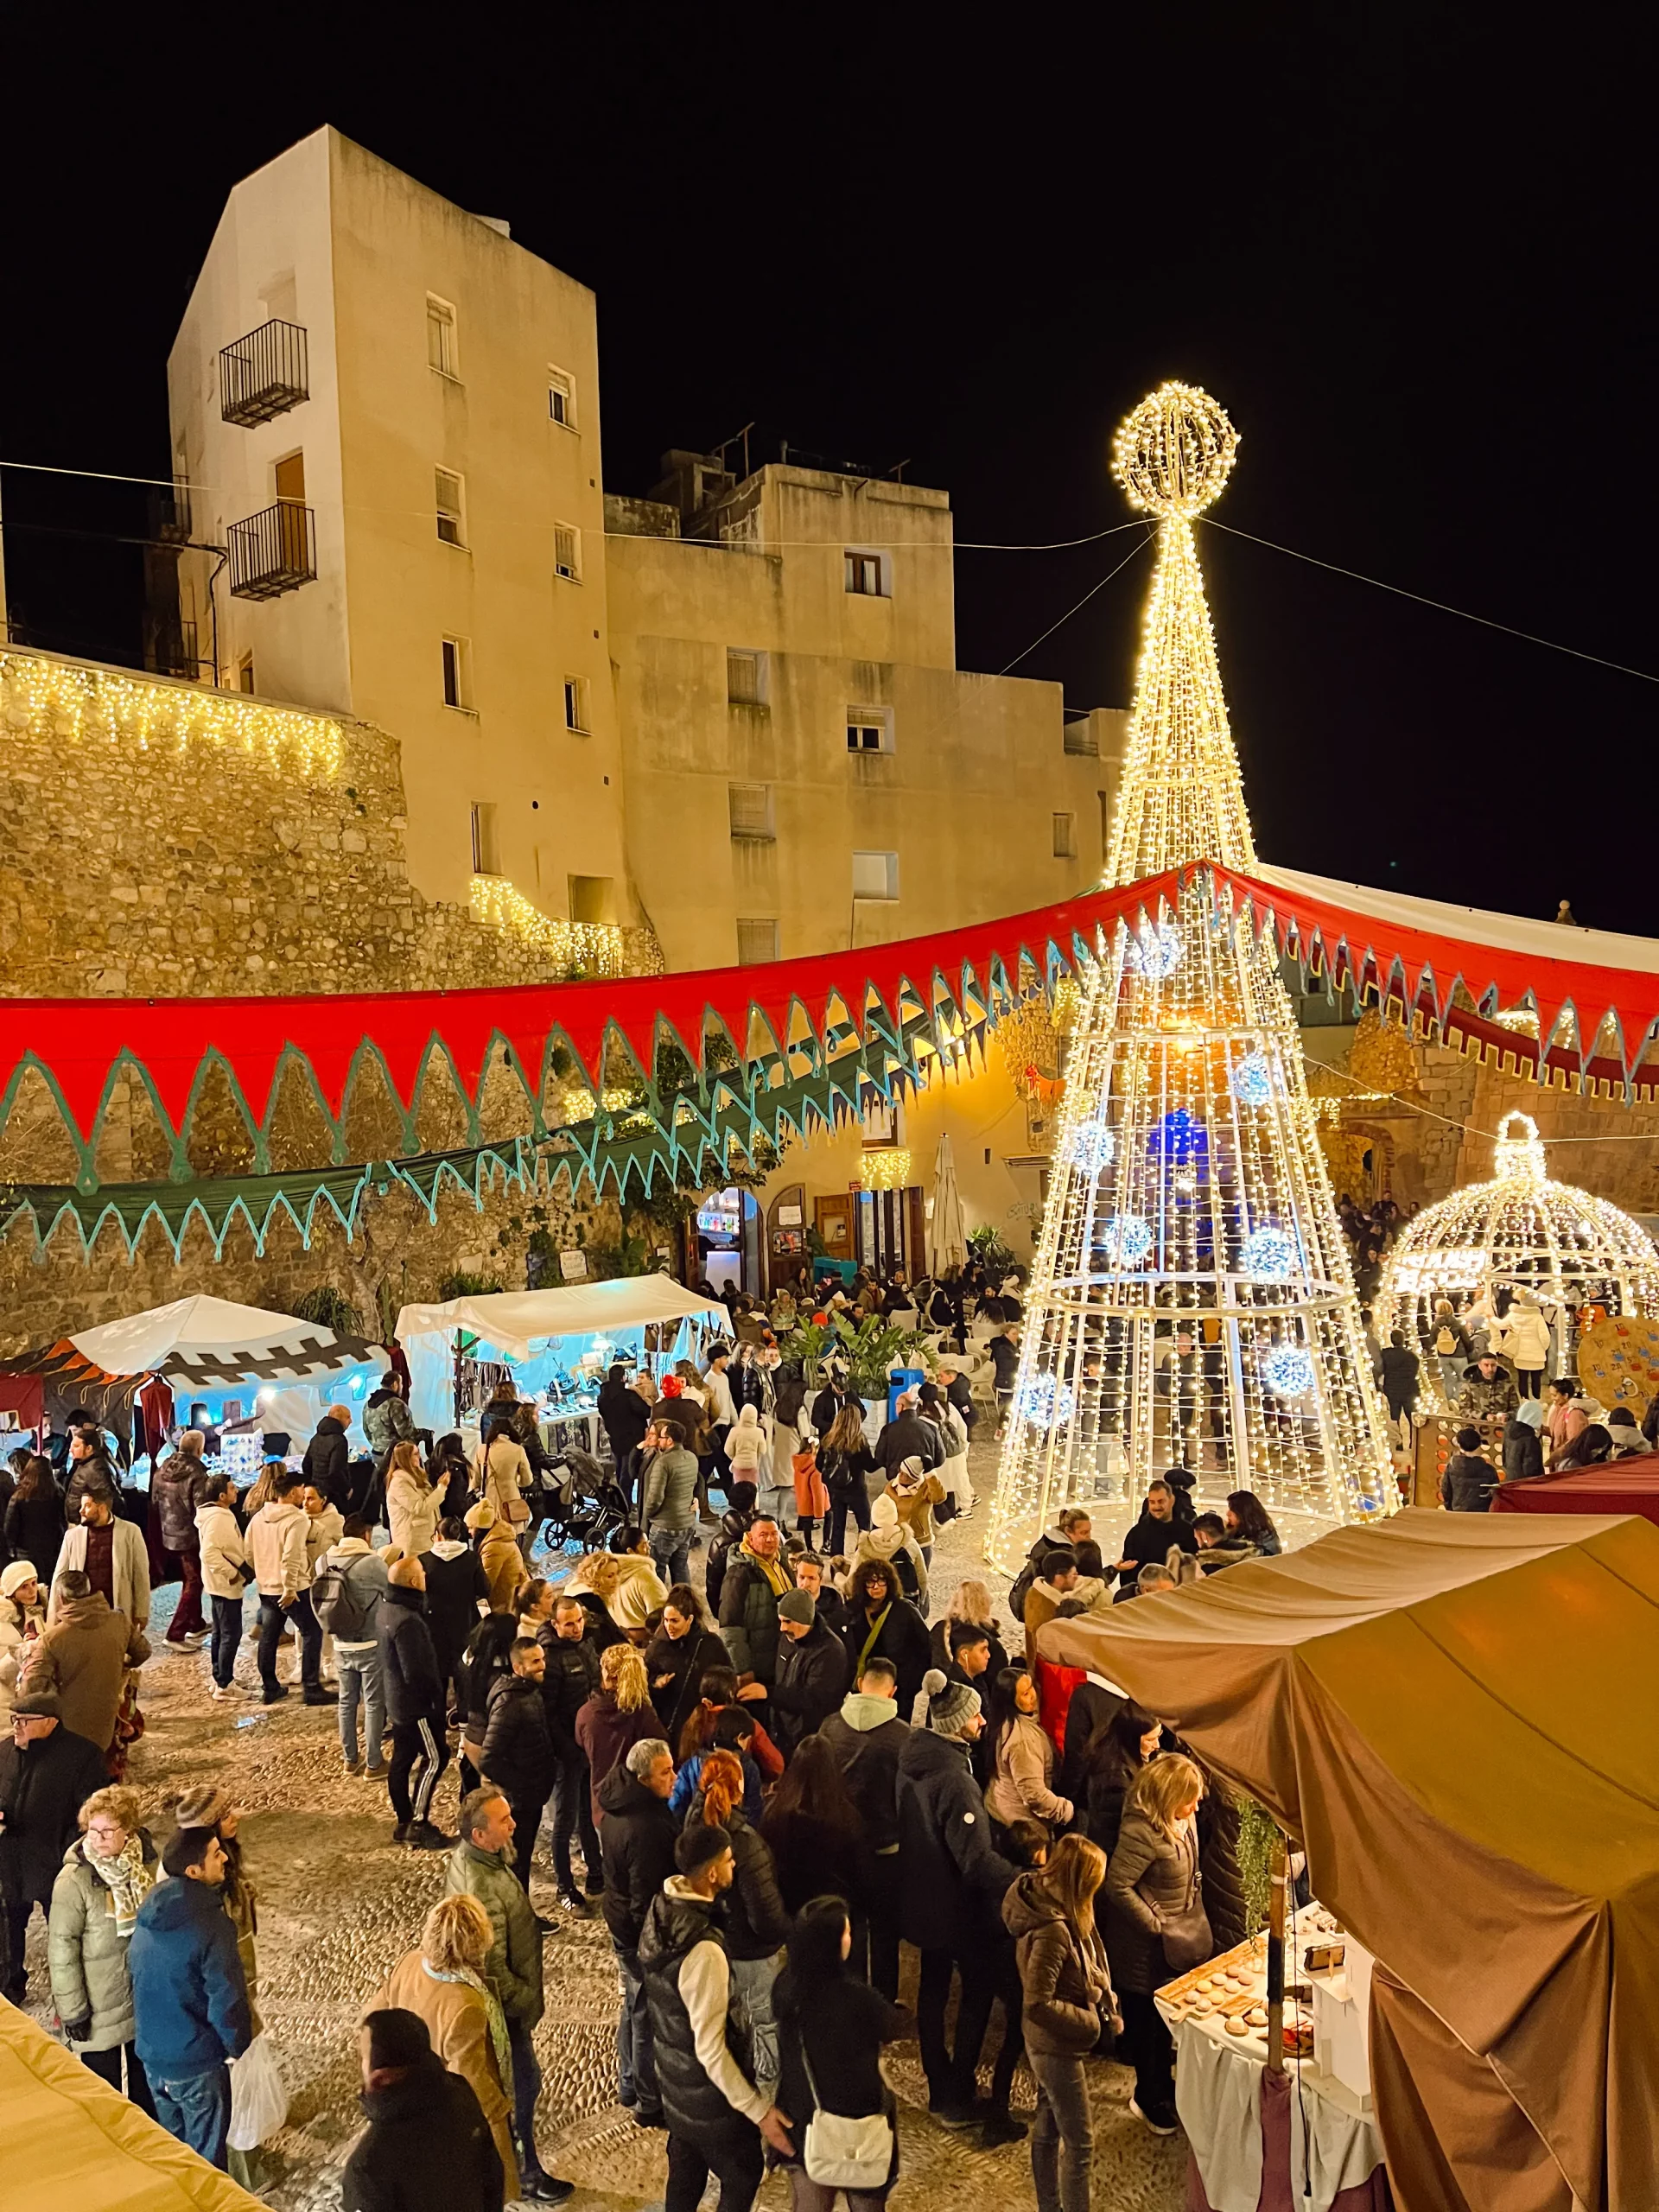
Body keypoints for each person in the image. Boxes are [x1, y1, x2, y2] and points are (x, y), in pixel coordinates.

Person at [638, 1820, 793, 2212]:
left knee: (685, 2178)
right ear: (711, 1873)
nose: (734, 1866)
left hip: (676, 2088)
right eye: (728, 1860)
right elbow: (710, 2049)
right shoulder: (704, 1950)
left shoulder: (663, 1906)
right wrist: (760, 2112)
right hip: (710, 2104)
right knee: (742, 2175)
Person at [896, 1667, 1017, 2123]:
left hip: (919, 1896)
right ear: (953, 1727)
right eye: (974, 1717)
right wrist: (1022, 1879)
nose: (983, 1721)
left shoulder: (912, 1757)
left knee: (932, 1990)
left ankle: (937, 2079)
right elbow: (976, 1861)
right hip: (954, 1908)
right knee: (978, 1990)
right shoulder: (955, 1781)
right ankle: (955, 2090)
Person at [445, 1788, 574, 2202]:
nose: (513, 1824)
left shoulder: (484, 1859)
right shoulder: (479, 1885)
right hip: (505, 2011)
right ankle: (526, 2173)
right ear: (479, 1836)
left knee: (523, 2085)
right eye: (503, 1821)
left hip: (509, 2006)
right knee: (520, 2089)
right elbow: (493, 1965)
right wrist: (525, 2001)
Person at [376, 1893, 520, 2197]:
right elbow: (471, 2079)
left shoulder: (410, 1963)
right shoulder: (464, 2004)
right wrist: (501, 2115)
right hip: (443, 2114)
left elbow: (374, 2017)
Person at [128, 1825, 252, 2170]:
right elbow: (226, 1998)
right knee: (207, 2165)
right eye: (216, 1854)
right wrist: (236, 2045)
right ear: (194, 1871)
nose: (225, 1857)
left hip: (155, 2061)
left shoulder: (148, 1912)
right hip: (196, 2064)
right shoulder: (212, 1925)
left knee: (175, 2158)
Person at [773, 1893, 907, 2212]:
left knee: (810, 2205)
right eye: (846, 1932)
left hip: (804, 2116)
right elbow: (892, 2027)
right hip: (859, 2119)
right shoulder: (858, 1998)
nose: (851, 1937)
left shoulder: (786, 1988)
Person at [1005, 1833, 1117, 2212]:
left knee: (1049, 2125)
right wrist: (1090, 2021)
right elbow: (1038, 2002)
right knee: (1080, 2144)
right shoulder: (1053, 1930)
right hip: (1055, 2045)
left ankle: (1048, 2206)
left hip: (1047, 2040)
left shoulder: (1049, 1903)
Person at [1104, 1752, 1211, 2135]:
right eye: (1190, 1799)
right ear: (1168, 1798)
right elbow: (1117, 1884)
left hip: (1175, 1937)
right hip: (1143, 1951)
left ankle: (1163, 2086)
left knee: (1166, 2023)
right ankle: (1148, 2098)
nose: (1197, 1806)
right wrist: (1154, 1924)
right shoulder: (1140, 1832)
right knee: (1147, 2028)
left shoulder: (1184, 1819)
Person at [48, 1782, 159, 2114]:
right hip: (99, 2008)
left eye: (108, 1831)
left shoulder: (147, 1867)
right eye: (92, 1831)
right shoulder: (74, 1881)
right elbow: (61, 1949)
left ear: (129, 1830)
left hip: (142, 1998)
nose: (98, 1840)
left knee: (147, 2091)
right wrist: (72, 2010)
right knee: (103, 2099)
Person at [0, 1688, 110, 2002]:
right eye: (14, 1719)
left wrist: (67, 1853)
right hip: (10, 1861)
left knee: (64, 1935)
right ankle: (10, 1987)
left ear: (49, 1722)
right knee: (8, 1931)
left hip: (55, 1866)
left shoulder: (82, 1756)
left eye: (23, 1720)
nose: (16, 1727)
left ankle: (71, 1992)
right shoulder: (5, 1751)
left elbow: (92, 1812)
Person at [341, 2006, 506, 2212]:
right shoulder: (460, 2092)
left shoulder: (369, 2167)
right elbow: (492, 2175)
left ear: (381, 2077)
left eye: (363, 2058)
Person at [598, 1734, 677, 2126]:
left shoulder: (619, 1802)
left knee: (632, 2004)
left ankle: (628, 2081)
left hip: (620, 1920)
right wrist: (655, 1943)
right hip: (637, 1931)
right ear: (644, 1778)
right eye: (666, 1772)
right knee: (644, 2013)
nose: (674, 1778)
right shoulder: (646, 1826)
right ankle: (647, 2101)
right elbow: (646, 1895)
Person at [19, 1566, 140, 1758]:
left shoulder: (52, 1639)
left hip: (69, 1732)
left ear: (61, 1599)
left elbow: (32, 1687)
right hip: (108, 1722)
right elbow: (143, 1652)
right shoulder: (119, 1621)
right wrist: (118, 1667)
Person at [537, 1595, 603, 1912]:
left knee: (589, 1812)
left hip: (588, 1747)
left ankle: (596, 1870)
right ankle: (565, 1886)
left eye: (579, 1621)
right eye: (569, 1624)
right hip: (567, 1753)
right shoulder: (550, 1658)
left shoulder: (587, 1645)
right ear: (555, 1624)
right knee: (564, 1821)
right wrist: (567, 1749)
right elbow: (547, 1713)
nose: (576, 1628)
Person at [380, 1554, 452, 1848]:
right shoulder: (408, 1621)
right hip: (416, 1707)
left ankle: (403, 1818)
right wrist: (435, 1702)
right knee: (436, 1757)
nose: (425, 1575)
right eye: (422, 1572)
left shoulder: (388, 1608)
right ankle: (418, 1822)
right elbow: (417, 1671)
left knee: (402, 1759)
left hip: (397, 1701)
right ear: (413, 1581)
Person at [760, 1732, 868, 1920]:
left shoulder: (775, 1812)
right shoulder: (847, 1818)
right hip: (835, 1913)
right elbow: (859, 1874)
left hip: (793, 1910)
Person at [480, 1637, 556, 1891]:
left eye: (542, 1659)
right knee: (517, 1861)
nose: (542, 1665)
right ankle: (521, 1918)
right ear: (518, 1668)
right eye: (535, 1661)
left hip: (531, 1795)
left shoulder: (529, 1692)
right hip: (522, 1800)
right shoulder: (510, 1703)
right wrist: (522, 1786)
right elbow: (489, 1758)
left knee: (522, 1859)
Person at [248, 1467, 321, 1706]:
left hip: (266, 1587)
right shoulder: (296, 1519)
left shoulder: (259, 1516)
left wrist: (263, 1572)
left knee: (268, 1636)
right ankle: (311, 1687)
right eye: (301, 1490)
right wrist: (290, 1587)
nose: (303, 1495)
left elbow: (248, 1551)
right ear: (291, 1494)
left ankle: (270, 1686)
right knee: (312, 1631)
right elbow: (291, 1556)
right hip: (293, 1588)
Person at [575, 1641, 661, 1824]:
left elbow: (580, 1742)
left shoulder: (587, 1713)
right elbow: (660, 1747)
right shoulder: (642, 1712)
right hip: (639, 1804)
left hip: (602, 1804)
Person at [985, 1666, 1074, 1840]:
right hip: (1018, 1822)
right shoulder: (1022, 1741)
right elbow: (1035, 1795)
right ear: (1011, 1701)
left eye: (1031, 1687)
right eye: (1025, 1694)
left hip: (1004, 1808)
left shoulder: (1009, 1719)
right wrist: (1067, 1811)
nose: (1033, 1695)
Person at [51, 1484, 150, 1631]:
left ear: (102, 1508)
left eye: (87, 1506)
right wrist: (54, 1615)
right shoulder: (72, 1536)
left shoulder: (131, 1532)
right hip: (82, 1614)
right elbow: (60, 1576)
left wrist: (142, 1612)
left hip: (115, 1610)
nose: (81, 1510)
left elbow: (141, 1575)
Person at [840, 1559, 930, 1721]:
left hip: (897, 1689)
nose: (876, 1587)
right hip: (864, 1685)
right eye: (870, 1582)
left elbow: (926, 1647)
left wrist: (911, 1682)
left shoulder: (905, 1610)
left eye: (881, 1581)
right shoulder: (852, 1611)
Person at [421, 1516, 491, 1720]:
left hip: (435, 1628)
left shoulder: (424, 1560)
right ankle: (463, 1728)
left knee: (438, 1680)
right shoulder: (471, 1559)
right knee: (464, 1679)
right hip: (465, 1625)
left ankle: (438, 1726)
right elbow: (485, 1589)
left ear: (437, 1536)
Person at [645, 1585, 729, 1749]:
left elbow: (727, 1677)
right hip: (668, 1728)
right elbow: (645, 1684)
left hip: (702, 1727)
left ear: (689, 1620)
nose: (669, 1626)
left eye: (675, 1621)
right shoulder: (657, 1648)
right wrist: (656, 1684)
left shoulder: (711, 1645)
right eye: (666, 1620)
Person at [770, 1588, 852, 1756]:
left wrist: (769, 1694)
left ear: (805, 1621)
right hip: (784, 1734)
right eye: (780, 1621)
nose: (782, 1628)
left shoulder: (830, 1651)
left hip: (809, 1742)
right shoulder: (789, 1639)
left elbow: (814, 1701)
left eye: (788, 1621)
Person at [193, 1468, 250, 1703]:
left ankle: (220, 1676)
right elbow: (210, 1554)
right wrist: (233, 1574)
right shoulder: (219, 1518)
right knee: (230, 1633)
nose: (236, 1490)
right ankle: (224, 1684)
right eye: (232, 1488)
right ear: (221, 1496)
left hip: (217, 1583)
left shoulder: (215, 1515)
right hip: (225, 1583)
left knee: (220, 1632)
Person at [718, 1513, 791, 1688]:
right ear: (750, 1538)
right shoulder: (739, 1574)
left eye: (774, 1534)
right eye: (763, 1535)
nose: (770, 1540)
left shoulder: (781, 1561)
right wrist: (742, 1669)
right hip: (758, 1662)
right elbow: (730, 1627)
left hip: (781, 1654)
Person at [1078, 1704, 1161, 1855]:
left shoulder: (1127, 1753)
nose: (1157, 1745)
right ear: (1133, 1738)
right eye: (1151, 1739)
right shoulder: (1114, 1777)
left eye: (1158, 1736)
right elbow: (1113, 1831)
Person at [151, 1431, 208, 1647]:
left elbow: (154, 1498)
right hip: (189, 1535)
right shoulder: (197, 1473)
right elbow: (202, 1508)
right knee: (194, 1580)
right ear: (199, 1450)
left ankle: (195, 1623)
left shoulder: (164, 1466)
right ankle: (176, 1632)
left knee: (191, 1577)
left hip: (168, 1531)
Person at [642, 1418, 700, 1591]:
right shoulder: (691, 1457)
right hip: (686, 1524)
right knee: (681, 1568)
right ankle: (686, 1604)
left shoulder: (663, 1463)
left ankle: (660, 1608)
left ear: (669, 1440)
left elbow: (654, 1498)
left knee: (657, 1569)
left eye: (661, 1437)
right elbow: (695, 1485)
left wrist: (649, 1515)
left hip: (664, 1526)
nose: (658, 1440)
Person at [1112, 1479, 1198, 1596]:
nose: (1157, 1507)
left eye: (1161, 1501)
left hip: (1182, 1595)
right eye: (1152, 1502)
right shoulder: (1137, 1534)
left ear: (1171, 1500)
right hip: (1150, 1597)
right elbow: (1129, 1576)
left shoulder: (1186, 1530)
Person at [817, 1403, 878, 1558]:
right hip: (856, 1489)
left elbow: (819, 1464)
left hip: (835, 1490)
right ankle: (861, 1558)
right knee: (864, 1526)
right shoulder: (859, 1442)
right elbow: (870, 1466)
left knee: (838, 1526)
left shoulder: (828, 1440)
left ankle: (836, 1562)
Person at [853, 1491, 929, 1612]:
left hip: (875, 1608)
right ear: (894, 1515)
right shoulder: (910, 1544)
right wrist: (921, 1601)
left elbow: (852, 1583)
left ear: (874, 1517)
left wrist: (837, 1577)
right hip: (905, 1608)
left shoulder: (865, 1547)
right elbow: (922, 1577)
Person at [931, 1580, 1009, 1681]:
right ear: (985, 1605)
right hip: (974, 1695)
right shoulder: (989, 1644)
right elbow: (1001, 1683)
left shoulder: (940, 1629)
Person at [7, 1457, 66, 1591]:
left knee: (30, 1590)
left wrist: (12, 1550)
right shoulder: (58, 1494)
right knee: (50, 1589)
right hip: (52, 1551)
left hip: (25, 1552)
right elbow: (63, 1522)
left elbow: (10, 1527)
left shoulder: (20, 1496)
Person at [0, 1560, 46, 1728]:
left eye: (34, 1583)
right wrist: (22, 1650)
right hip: (6, 1703)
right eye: (24, 1587)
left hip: (32, 1697)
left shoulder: (36, 1613)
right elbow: (3, 1673)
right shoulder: (2, 1622)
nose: (32, 1590)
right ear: (12, 1591)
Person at [1020, 1549, 1084, 1661]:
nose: (1077, 1578)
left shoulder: (1035, 1591)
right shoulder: (1048, 1610)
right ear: (1059, 1578)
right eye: (1073, 1575)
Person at [385, 1440, 441, 1564]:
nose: (419, 1456)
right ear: (406, 1458)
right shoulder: (399, 1482)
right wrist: (441, 1489)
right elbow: (420, 1508)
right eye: (415, 1454)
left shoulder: (418, 1474)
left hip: (425, 1536)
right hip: (412, 1540)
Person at [363, 1372, 416, 1483]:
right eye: (401, 1384)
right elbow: (408, 1434)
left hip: (376, 1454)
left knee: (381, 1488)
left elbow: (366, 1430)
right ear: (395, 1384)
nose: (402, 1387)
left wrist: (378, 1444)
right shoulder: (396, 1404)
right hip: (395, 1458)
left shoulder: (368, 1404)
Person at [1498, 1297, 1553, 1398]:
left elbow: (1501, 1325)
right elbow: (1545, 1336)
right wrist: (1543, 1349)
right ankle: (1536, 1399)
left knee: (1522, 1378)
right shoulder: (1537, 1316)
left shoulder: (1514, 1314)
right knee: (1536, 1378)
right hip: (1536, 1354)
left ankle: (1524, 1399)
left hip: (1520, 1353)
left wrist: (1490, 1318)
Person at [302, 1402, 353, 1507]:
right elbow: (335, 1471)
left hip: (317, 1491)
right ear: (340, 1419)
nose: (351, 1421)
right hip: (333, 1493)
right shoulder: (339, 1440)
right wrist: (347, 1489)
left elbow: (306, 1464)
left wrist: (313, 1484)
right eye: (348, 1417)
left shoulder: (316, 1437)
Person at [1441, 1426, 1497, 1512]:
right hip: (1482, 1515)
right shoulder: (1489, 1470)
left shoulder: (1452, 1467)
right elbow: (1495, 1495)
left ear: (1460, 1446)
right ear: (1479, 1444)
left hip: (1458, 1513)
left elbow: (1446, 1491)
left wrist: (1451, 1509)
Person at [791, 1551, 847, 1636]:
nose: (805, 1584)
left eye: (811, 1578)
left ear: (820, 1580)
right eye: (802, 1577)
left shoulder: (834, 1603)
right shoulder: (789, 1604)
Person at [1379, 1329, 1420, 1442]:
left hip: (1392, 1390)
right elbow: (1414, 1373)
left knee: (1394, 1417)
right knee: (1411, 1417)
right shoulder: (1412, 1357)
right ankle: (1414, 1441)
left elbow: (1381, 1369)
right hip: (1409, 1390)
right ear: (1403, 1340)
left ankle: (1398, 1441)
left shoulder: (1385, 1355)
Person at [1459, 1351, 1520, 1424]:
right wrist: (1483, 1416)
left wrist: (1507, 1416)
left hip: (1503, 1427)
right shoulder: (1468, 1386)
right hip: (1478, 1427)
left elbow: (1516, 1408)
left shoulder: (1507, 1385)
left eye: (1493, 1365)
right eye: (1486, 1365)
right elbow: (1463, 1410)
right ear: (1480, 1366)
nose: (1490, 1369)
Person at [1544, 1376, 1590, 1465]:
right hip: (1558, 1460)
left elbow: (1574, 1442)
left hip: (1567, 1462)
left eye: (1554, 1395)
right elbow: (1556, 1432)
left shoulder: (1575, 1413)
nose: (1552, 1398)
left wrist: (1555, 1457)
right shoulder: (1557, 1409)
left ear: (1565, 1395)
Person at [1224, 1490, 1281, 1556]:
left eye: (1232, 1509)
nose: (1228, 1513)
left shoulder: (1263, 1536)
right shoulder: (1236, 1532)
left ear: (1244, 1512)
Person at [1503, 1400, 1547, 1482]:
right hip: (1526, 1485)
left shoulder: (1508, 1432)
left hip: (1510, 1479)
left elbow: (1504, 1459)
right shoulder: (1530, 1439)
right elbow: (1532, 1470)